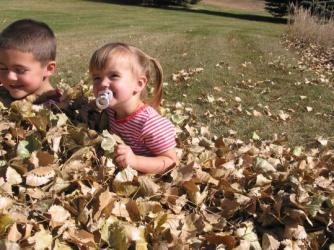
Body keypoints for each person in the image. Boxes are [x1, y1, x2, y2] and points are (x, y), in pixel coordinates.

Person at [89, 42, 177, 174]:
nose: (103, 83)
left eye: (114, 76)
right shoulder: (112, 108)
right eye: (97, 78)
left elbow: (172, 162)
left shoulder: (150, 123)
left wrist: (135, 161)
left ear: (139, 84)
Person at [0, 19, 61, 106]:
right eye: (2, 68)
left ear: (48, 69)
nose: (9, 77)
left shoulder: (59, 108)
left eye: (19, 70)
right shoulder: (4, 94)